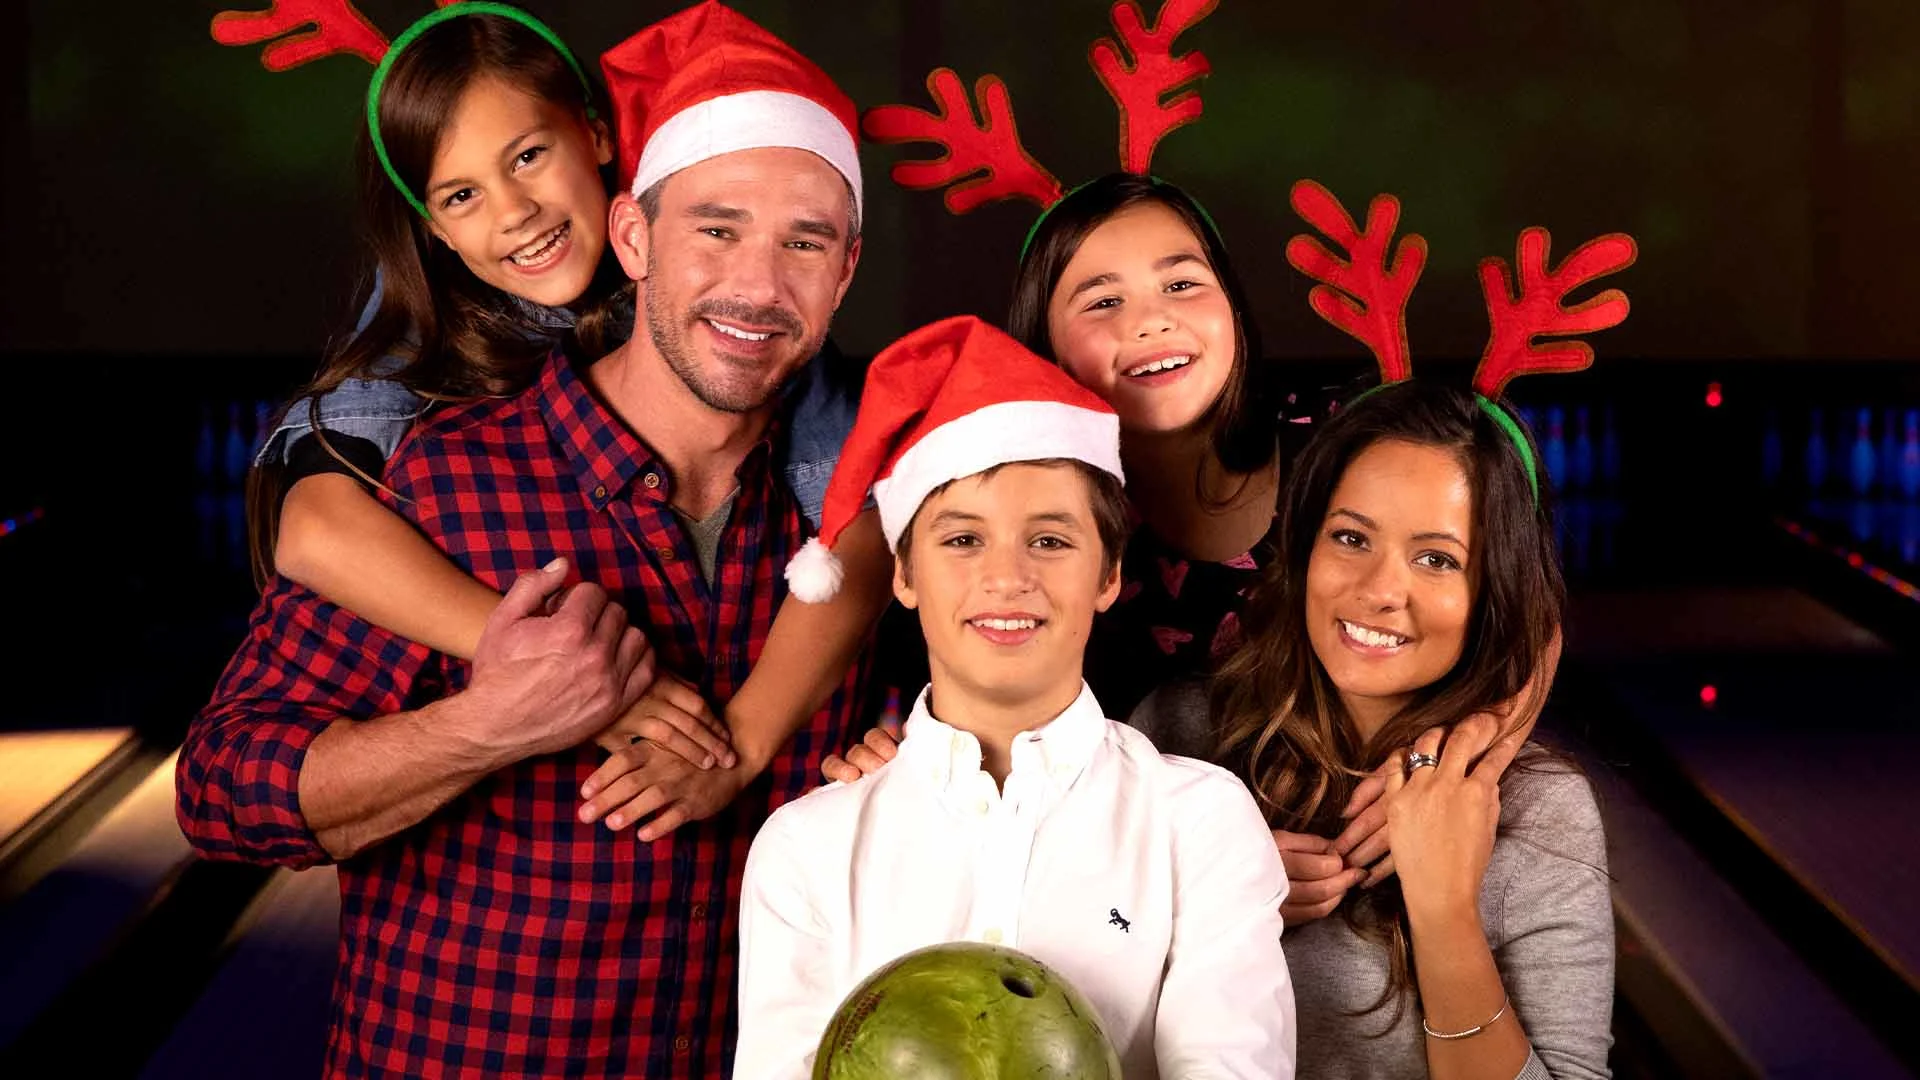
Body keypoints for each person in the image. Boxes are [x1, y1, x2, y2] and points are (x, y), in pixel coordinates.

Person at [178, 5, 883, 1074]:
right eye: (717, 228)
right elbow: (221, 788)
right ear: (642, 233)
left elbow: (886, 578)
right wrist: (494, 718)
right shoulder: (432, 462)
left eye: (805, 240)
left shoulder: (871, 495)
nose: (755, 280)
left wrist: (913, 769)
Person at [248, 3, 889, 821]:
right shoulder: (420, 348)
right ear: (434, 230)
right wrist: (562, 673)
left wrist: (743, 744)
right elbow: (312, 528)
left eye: (528, 156)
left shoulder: (737, 324)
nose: (513, 209)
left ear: (597, 138)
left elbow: (860, 522)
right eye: (462, 195)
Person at [735, 316, 1295, 1079]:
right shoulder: (809, 848)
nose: (1007, 577)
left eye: (1051, 540)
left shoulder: (1198, 824)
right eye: (962, 540)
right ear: (903, 574)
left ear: (1107, 576)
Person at [1208, 377, 1612, 1079]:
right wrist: (1202, 893)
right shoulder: (1178, 737)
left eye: (1437, 559)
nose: (1379, 591)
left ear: (1492, 590)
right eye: (1351, 537)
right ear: (1305, 549)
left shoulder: (1542, 812)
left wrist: (1444, 908)